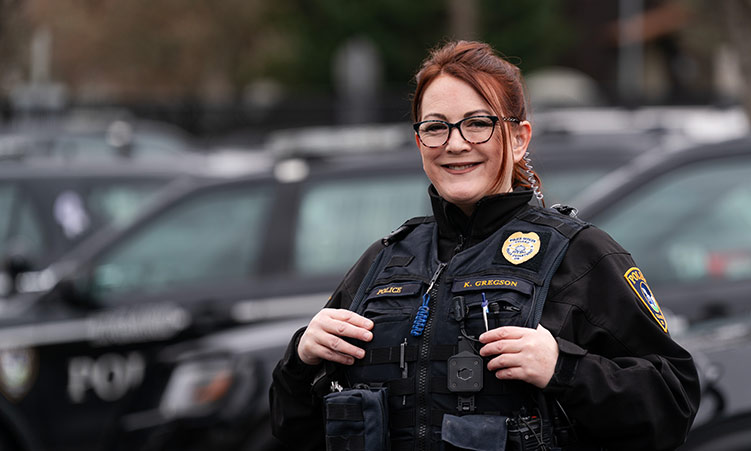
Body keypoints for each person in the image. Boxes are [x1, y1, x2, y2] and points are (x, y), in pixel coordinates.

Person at [270, 40, 700, 451]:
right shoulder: (382, 262)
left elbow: (673, 403)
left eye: (478, 123)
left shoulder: (579, 255)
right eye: (436, 127)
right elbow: (294, 433)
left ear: (518, 138)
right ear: (419, 141)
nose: (455, 144)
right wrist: (301, 362)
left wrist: (564, 369)